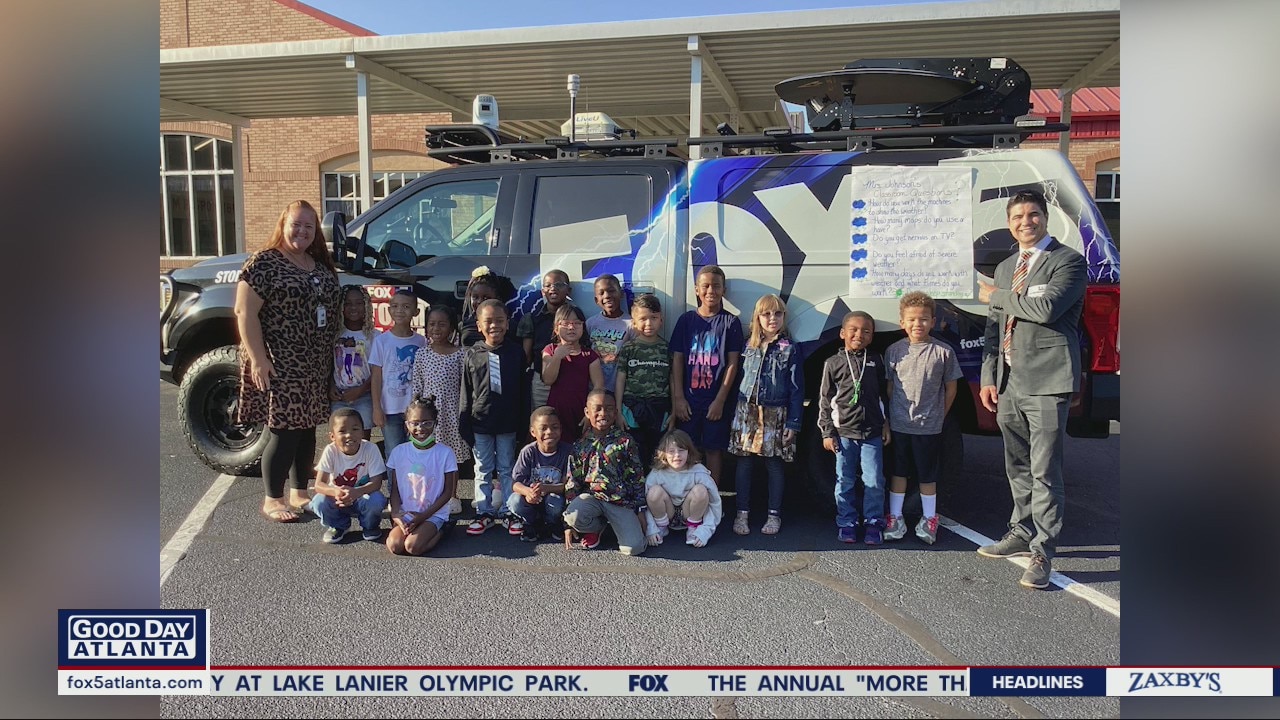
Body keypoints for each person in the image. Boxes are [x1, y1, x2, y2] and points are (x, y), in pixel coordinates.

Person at [976, 189, 1088, 590]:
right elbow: (993, 329)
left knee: (1044, 470)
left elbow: (1045, 310)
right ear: (1010, 224)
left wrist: (997, 295)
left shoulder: (1068, 262)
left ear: (1046, 218)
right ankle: (1020, 531)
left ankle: (1043, 551)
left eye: (1034, 214)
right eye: (1018, 216)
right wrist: (989, 378)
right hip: (1009, 382)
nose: (1026, 221)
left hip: (1048, 381)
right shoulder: (1006, 267)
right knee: (1017, 466)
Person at [234, 199, 341, 523]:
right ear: (283, 225)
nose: (302, 231)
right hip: (280, 361)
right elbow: (244, 312)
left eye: (309, 226)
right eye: (296, 224)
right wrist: (258, 359)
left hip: (313, 363)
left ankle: (299, 492)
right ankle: (273, 498)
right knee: (284, 431)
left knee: (307, 429)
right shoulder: (264, 263)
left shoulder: (317, 265)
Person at [883, 291, 963, 546]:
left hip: (929, 426)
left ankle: (929, 518)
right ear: (902, 322)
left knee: (927, 474)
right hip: (899, 423)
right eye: (912, 319)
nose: (918, 324)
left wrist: (940, 413)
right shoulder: (894, 351)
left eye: (924, 319)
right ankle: (895, 517)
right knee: (899, 471)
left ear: (934, 321)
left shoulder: (943, 352)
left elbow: (951, 387)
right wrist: (893, 414)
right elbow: (890, 387)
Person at [728, 294, 804, 536]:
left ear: (784, 317)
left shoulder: (790, 348)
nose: (772, 318)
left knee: (774, 464)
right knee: (744, 463)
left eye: (778, 313)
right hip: (747, 411)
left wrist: (794, 421)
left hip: (775, 412)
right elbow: (737, 380)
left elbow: (796, 388)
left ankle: (774, 514)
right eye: (766, 314)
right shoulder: (747, 346)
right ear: (757, 318)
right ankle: (742, 513)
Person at [817, 311, 890, 544]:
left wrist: (886, 424)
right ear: (842, 333)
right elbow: (824, 400)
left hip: (872, 433)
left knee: (875, 480)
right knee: (845, 480)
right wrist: (827, 432)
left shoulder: (877, 360)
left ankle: (873, 522)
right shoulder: (833, 363)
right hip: (843, 433)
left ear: (872, 336)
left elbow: (883, 396)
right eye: (854, 330)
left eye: (866, 331)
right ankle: (847, 521)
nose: (859, 334)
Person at [670, 265, 744, 485]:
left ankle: (712, 499)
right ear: (696, 289)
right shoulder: (686, 321)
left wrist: (720, 400)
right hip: (689, 401)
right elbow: (677, 360)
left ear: (724, 290)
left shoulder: (731, 322)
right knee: (685, 451)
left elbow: (732, 364)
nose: (710, 290)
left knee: (713, 450)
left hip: (716, 402)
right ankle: (685, 498)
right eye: (705, 286)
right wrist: (679, 398)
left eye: (716, 286)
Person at [460, 298, 526, 535]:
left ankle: (509, 511)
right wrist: (464, 422)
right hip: (481, 422)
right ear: (479, 325)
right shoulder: (472, 354)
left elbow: (523, 390)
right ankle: (484, 511)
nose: (494, 326)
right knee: (483, 468)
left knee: (507, 467)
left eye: (499, 321)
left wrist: (523, 423)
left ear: (507, 323)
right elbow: (466, 391)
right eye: (488, 321)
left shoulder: (516, 353)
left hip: (508, 422)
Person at [563, 391, 647, 555]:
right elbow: (573, 482)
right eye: (598, 409)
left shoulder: (625, 441)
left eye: (609, 409)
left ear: (616, 412)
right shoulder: (580, 445)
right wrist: (568, 525)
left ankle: (619, 528)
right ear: (587, 412)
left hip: (620, 502)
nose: (603, 413)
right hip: (592, 499)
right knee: (573, 517)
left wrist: (641, 510)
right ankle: (598, 527)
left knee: (633, 549)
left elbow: (637, 477)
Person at [409, 305, 469, 516]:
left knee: (450, 458)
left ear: (452, 327)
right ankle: (429, 495)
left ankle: (452, 495)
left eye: (442, 324)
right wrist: (414, 413)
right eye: (432, 324)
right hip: (428, 416)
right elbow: (417, 385)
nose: (436, 328)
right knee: (428, 457)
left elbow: (465, 386)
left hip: (452, 414)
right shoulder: (422, 354)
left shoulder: (460, 354)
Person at [385, 396, 458, 556]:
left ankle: (443, 529)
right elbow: (395, 490)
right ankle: (413, 530)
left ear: (435, 423)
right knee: (395, 546)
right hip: (406, 514)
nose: (421, 428)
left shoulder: (445, 453)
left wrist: (422, 517)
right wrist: (397, 515)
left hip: (433, 514)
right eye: (415, 423)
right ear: (406, 425)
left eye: (427, 422)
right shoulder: (399, 452)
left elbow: (447, 493)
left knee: (413, 547)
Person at [308, 408, 388, 544]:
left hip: (362, 496)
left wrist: (356, 492)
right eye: (342, 431)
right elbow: (319, 485)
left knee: (377, 500)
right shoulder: (330, 450)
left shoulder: (370, 449)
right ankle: (338, 526)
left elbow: (376, 483)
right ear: (332, 436)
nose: (349, 435)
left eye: (355, 429)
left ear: (363, 432)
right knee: (318, 502)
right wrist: (336, 491)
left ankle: (370, 526)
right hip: (338, 498)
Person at [614, 293, 671, 469]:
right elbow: (620, 379)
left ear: (661, 320)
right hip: (632, 407)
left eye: (653, 318)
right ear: (634, 322)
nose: (648, 323)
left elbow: (673, 380)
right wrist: (618, 411)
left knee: (658, 454)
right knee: (635, 452)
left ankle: (656, 492)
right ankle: (637, 492)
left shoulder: (667, 348)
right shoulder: (629, 348)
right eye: (643, 318)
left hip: (659, 407)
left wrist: (674, 411)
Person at [370, 288, 427, 455]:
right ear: (389, 310)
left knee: (416, 452)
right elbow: (376, 377)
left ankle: (415, 482)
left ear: (416, 312)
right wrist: (376, 408)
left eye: (406, 306)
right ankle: (394, 482)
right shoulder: (381, 341)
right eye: (395, 306)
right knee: (393, 453)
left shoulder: (421, 341)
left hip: (416, 409)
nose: (400, 311)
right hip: (390, 409)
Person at [644, 430, 722, 548]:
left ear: (689, 452)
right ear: (663, 453)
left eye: (681, 450)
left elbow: (714, 503)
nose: (677, 455)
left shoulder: (699, 471)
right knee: (654, 492)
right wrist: (650, 528)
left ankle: (693, 528)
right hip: (666, 512)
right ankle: (661, 527)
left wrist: (706, 530)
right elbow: (644, 502)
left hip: (689, 512)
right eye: (671, 451)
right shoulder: (657, 473)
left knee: (701, 490)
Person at [506, 406, 571, 542]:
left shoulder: (567, 452)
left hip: (553, 498)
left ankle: (552, 523)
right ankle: (531, 523)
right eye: (543, 428)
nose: (549, 432)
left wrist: (545, 489)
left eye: (555, 427)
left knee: (555, 502)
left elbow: (567, 485)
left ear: (561, 429)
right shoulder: (528, 452)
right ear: (533, 432)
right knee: (514, 501)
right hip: (532, 498)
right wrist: (528, 492)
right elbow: (515, 483)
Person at [542, 304, 603, 444]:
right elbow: (548, 379)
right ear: (556, 328)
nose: (571, 327)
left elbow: (599, 386)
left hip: (581, 411)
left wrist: (590, 412)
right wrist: (557, 357)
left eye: (577, 323)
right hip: (556, 411)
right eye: (566, 323)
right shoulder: (550, 350)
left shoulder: (589, 355)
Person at [517, 269, 573, 410]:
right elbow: (527, 355)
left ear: (569, 290)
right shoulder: (532, 319)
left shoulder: (576, 317)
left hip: (569, 377)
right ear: (542, 291)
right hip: (542, 381)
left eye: (559, 284)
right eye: (548, 285)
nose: (553, 288)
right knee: (541, 418)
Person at [329, 285, 378, 436]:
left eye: (358, 303)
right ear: (341, 307)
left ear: (366, 306)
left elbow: (378, 371)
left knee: (362, 439)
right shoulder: (334, 334)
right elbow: (328, 365)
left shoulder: (375, 336)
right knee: (339, 439)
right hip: (340, 396)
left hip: (364, 395)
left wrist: (360, 390)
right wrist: (331, 386)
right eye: (348, 303)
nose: (353, 307)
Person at [586, 274, 632, 393]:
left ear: (621, 294)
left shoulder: (631, 324)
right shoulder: (590, 323)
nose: (607, 296)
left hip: (618, 388)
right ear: (596, 300)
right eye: (601, 293)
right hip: (594, 388)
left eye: (611, 291)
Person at [460, 267, 515, 348]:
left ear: (497, 298)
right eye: (475, 297)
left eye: (486, 298)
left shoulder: (508, 325)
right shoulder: (463, 324)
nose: (479, 301)